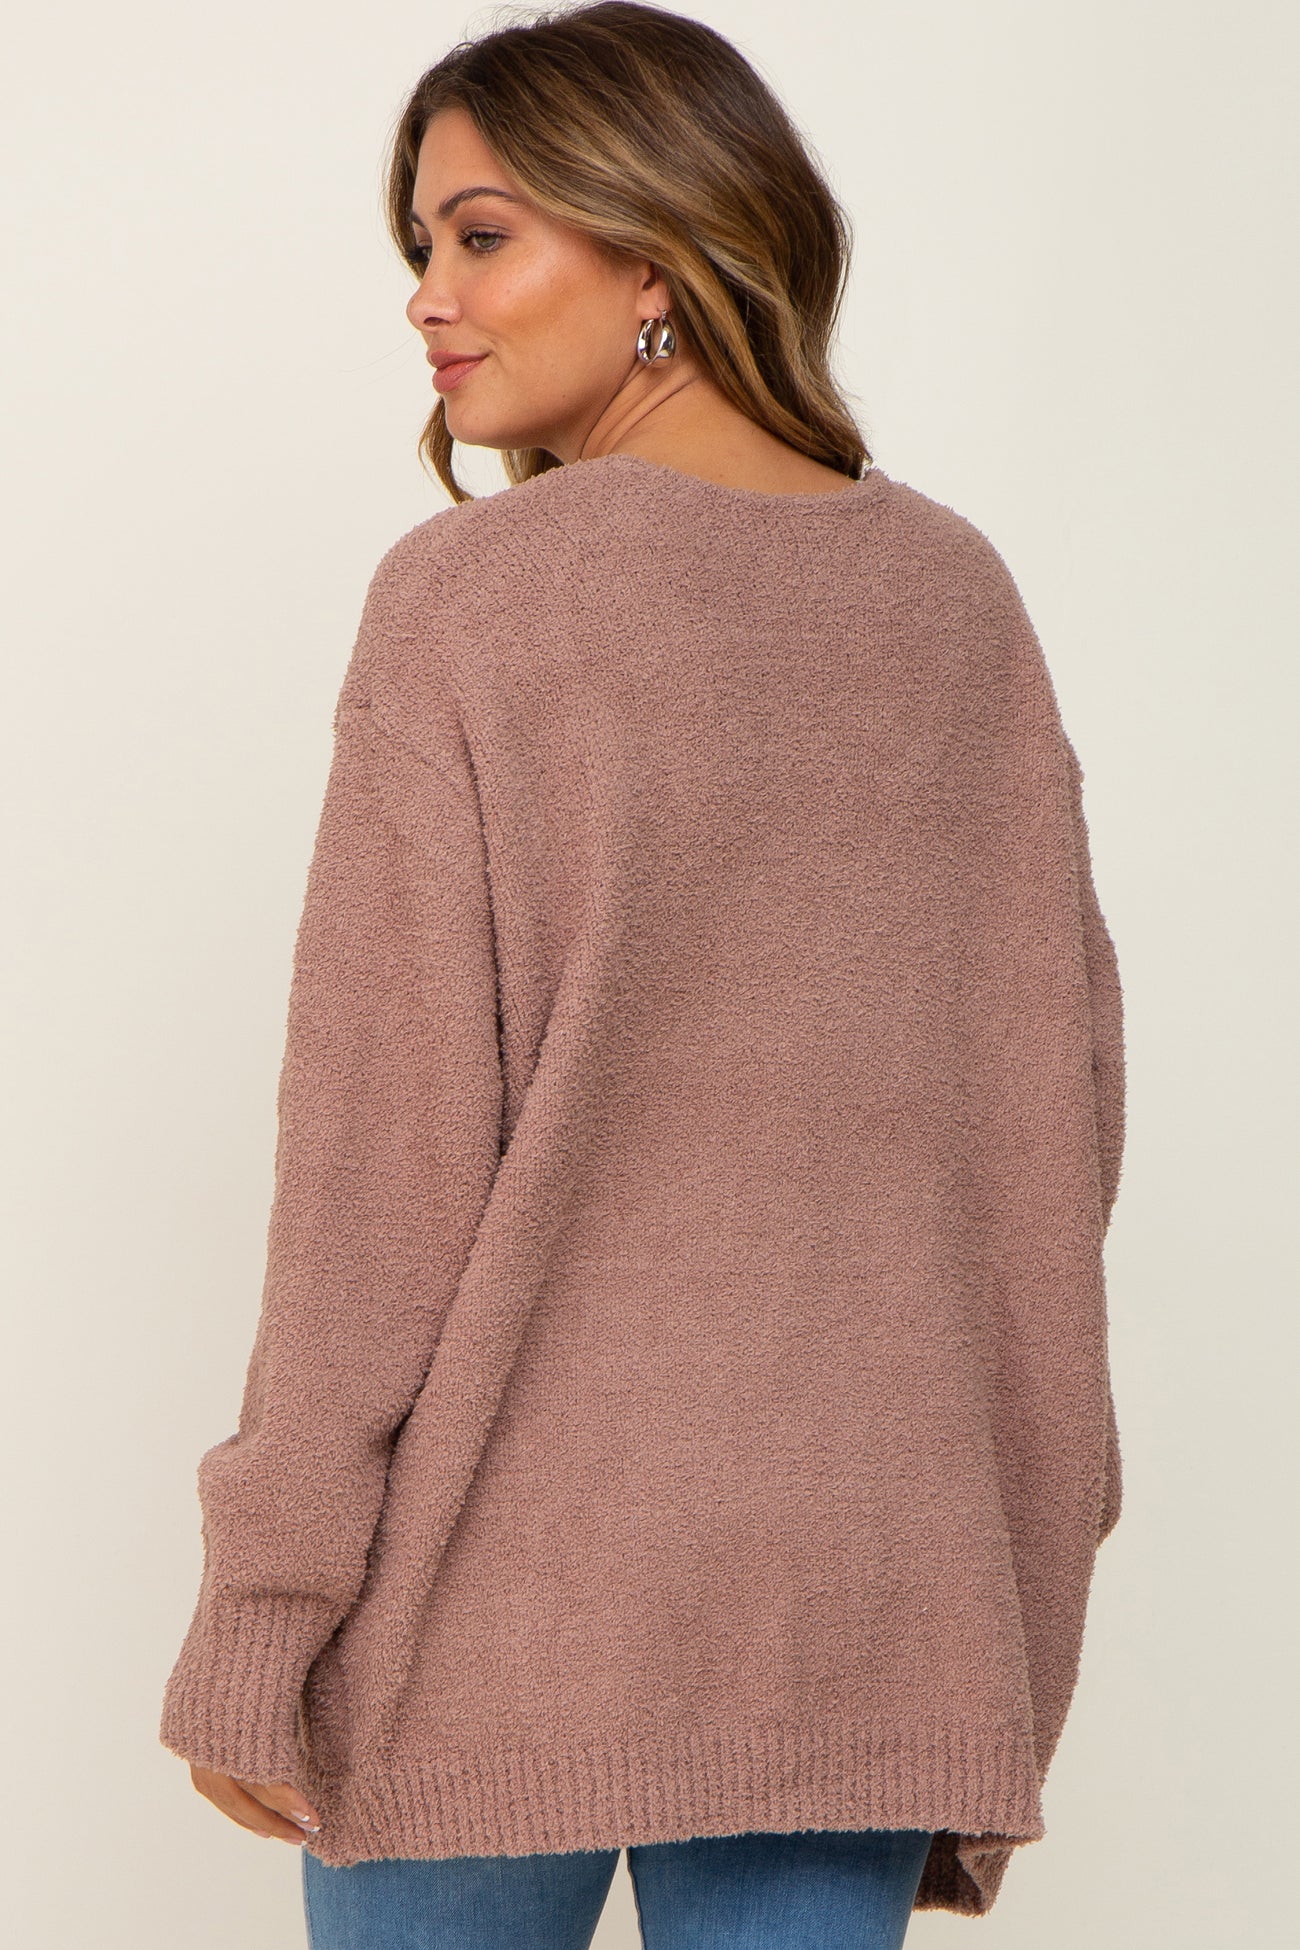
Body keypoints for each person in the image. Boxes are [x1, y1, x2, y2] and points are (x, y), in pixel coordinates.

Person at [158, 6, 1126, 1947]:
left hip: (490, 1608)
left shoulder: (468, 603)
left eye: (481, 235)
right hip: (861, 1602)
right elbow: (1047, 1163)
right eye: (419, 246)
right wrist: (1005, 1620)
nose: (428, 297)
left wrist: (264, 1604)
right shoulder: (957, 600)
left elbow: (376, 1170)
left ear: (658, 251)